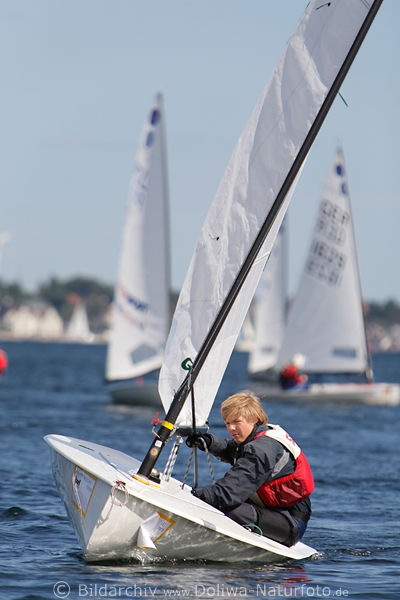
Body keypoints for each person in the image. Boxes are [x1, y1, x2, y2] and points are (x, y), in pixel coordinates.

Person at [186, 391, 313, 547]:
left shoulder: (261, 450)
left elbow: (229, 493)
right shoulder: (259, 435)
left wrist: (192, 499)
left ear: (254, 419)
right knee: (223, 502)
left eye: (236, 422)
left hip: (290, 522)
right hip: (271, 509)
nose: (231, 428)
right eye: (227, 423)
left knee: (230, 508)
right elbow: (230, 449)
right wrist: (207, 441)